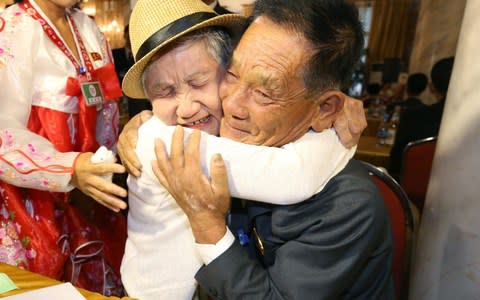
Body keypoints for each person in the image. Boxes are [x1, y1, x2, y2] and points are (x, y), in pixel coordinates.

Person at [121, 0, 394, 299]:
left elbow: (293, 176)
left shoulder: (348, 206)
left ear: (326, 107)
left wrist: (334, 136)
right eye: (233, 76)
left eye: (264, 93)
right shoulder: (227, 141)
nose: (233, 105)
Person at [0, 0, 128, 296]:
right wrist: (68, 169)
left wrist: (103, 163)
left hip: (89, 194)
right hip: (31, 202)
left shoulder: (88, 27)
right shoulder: (13, 27)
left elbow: (107, 109)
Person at [389, 57, 454, 180]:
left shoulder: (412, 117)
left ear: (432, 86)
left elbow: (396, 164)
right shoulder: (472, 126)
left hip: (410, 193)